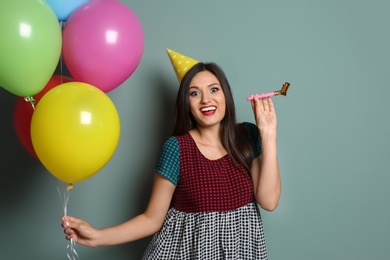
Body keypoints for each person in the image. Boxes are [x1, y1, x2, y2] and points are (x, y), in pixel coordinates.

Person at [62, 49, 281, 259]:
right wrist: (98, 236)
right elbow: (151, 219)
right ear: (186, 103)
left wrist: (268, 134)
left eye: (214, 89)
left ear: (226, 94)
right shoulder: (176, 148)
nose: (206, 100)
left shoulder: (249, 135)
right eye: (194, 93)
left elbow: (269, 201)